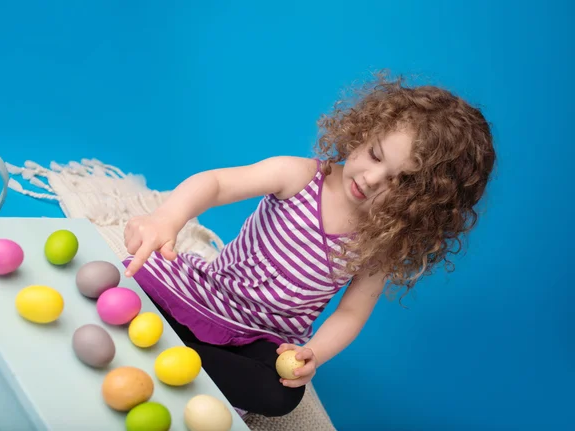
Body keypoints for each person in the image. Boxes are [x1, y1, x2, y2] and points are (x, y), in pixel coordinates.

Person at [122, 71, 496, 418]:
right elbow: (217, 185)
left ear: (422, 206)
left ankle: (181, 356)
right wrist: (166, 219)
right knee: (135, 275)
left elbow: (351, 314)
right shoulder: (299, 176)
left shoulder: (381, 244)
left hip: (262, 337)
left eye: (398, 183)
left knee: (281, 394)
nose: (371, 178)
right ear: (363, 132)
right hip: (209, 293)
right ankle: (187, 355)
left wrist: (313, 353)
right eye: (375, 155)